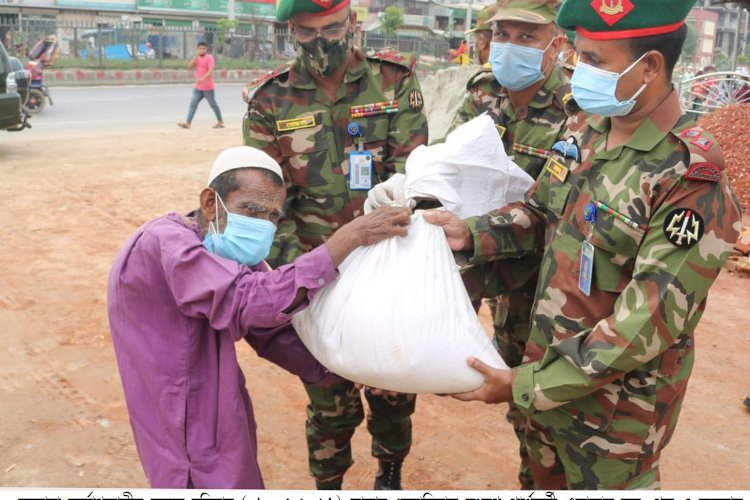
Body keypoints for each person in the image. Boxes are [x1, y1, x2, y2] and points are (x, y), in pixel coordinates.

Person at [426, 0, 741, 489]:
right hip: (543, 380)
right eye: (580, 56)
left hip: (613, 419)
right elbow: (539, 213)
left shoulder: (690, 176)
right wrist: (473, 233)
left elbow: (647, 322)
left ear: (649, 67)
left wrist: (522, 385)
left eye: (595, 62)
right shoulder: (584, 128)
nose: (578, 72)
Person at [107, 146, 411, 489]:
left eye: (273, 216)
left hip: (217, 400)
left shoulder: (226, 248)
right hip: (181, 408)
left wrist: (343, 365)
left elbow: (272, 330)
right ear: (210, 203)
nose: (263, 225)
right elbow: (247, 302)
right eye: (252, 210)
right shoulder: (166, 243)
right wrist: (347, 239)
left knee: (236, 472)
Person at [241, 0, 429, 490]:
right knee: (328, 395)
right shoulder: (269, 101)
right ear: (289, 32)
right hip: (316, 272)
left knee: (393, 386)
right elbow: (263, 202)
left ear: (352, 24)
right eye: (306, 32)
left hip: (389, 267)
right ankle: (328, 482)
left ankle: (390, 473)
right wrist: (299, 273)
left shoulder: (394, 82)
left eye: (331, 27)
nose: (320, 41)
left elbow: (413, 177)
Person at [447, 0, 569, 489]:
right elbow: (450, 161)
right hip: (496, 273)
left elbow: (556, 208)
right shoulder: (482, 92)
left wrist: (473, 232)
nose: (509, 48)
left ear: (556, 45)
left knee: (551, 402)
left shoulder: (577, 109)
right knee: (519, 402)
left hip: (552, 286)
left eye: (526, 38)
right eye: (502, 35)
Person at [178, 41, 224, 129]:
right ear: (197, 49)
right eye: (200, 48)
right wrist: (196, 56)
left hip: (208, 88)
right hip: (198, 88)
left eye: (204, 49)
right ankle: (188, 123)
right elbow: (189, 67)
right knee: (193, 104)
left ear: (206, 49)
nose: (202, 50)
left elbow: (211, 70)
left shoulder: (209, 58)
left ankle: (220, 122)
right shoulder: (197, 58)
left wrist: (203, 78)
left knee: (213, 104)